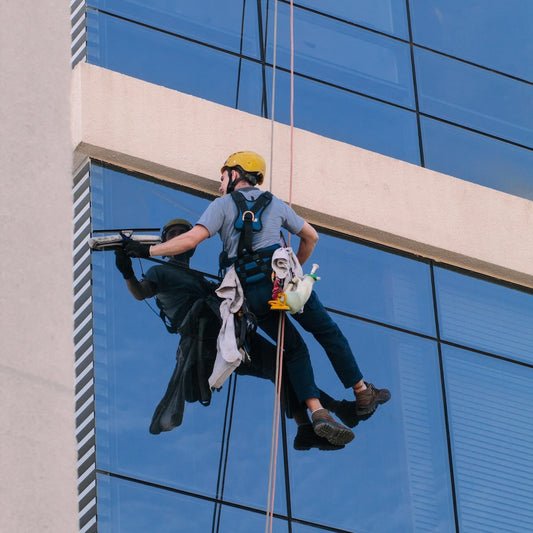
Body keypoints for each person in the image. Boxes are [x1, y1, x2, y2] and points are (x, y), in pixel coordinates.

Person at [124, 153, 390, 446]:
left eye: (223, 176)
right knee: (327, 332)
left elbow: (191, 240)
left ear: (237, 173)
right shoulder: (275, 204)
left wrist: (145, 251)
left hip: (252, 295)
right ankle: (361, 391)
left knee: (294, 350)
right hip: (281, 284)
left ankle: (317, 412)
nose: (220, 183)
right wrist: (294, 272)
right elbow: (311, 237)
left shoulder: (221, 206)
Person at [116, 218, 366, 450]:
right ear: (165, 243)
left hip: (225, 332)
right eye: (173, 235)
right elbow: (141, 292)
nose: (179, 237)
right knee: (282, 361)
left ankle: (306, 425)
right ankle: (331, 410)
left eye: (183, 234)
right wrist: (127, 271)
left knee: (280, 364)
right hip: (208, 339)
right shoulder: (160, 272)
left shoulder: (200, 278)